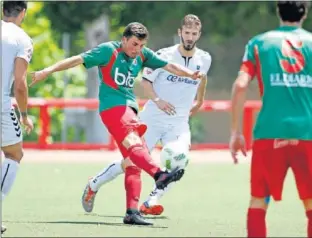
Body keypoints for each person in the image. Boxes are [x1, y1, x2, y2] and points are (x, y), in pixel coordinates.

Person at [30, 22, 204, 225]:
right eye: (133, 44)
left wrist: (189, 74)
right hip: (113, 108)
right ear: (123, 39)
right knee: (134, 144)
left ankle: (131, 212)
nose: (136, 49)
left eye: (140, 45)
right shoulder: (107, 51)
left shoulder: (142, 54)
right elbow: (77, 59)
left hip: (129, 109)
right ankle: (159, 174)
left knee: (132, 162)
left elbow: (168, 65)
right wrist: (47, 71)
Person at [81, 14, 212, 217]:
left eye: (194, 34)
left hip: (179, 123)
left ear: (199, 35)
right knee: (132, 163)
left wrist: (200, 101)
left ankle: (151, 201)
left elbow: (202, 80)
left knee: (179, 163)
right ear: (180, 33)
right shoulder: (164, 54)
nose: (190, 37)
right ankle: (94, 183)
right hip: (153, 118)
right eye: (186, 33)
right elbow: (146, 82)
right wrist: (158, 100)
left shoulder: (205, 58)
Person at [229, 1, 312, 237]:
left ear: (278, 11)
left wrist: (236, 132)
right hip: (307, 132)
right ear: (304, 13)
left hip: (269, 131)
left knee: (258, 200)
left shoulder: (259, 43)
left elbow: (240, 85)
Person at [1, 1, 34, 234]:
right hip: (2, 104)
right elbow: (20, 85)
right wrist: (23, 114)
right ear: (22, 13)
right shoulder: (21, 39)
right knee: (14, 153)